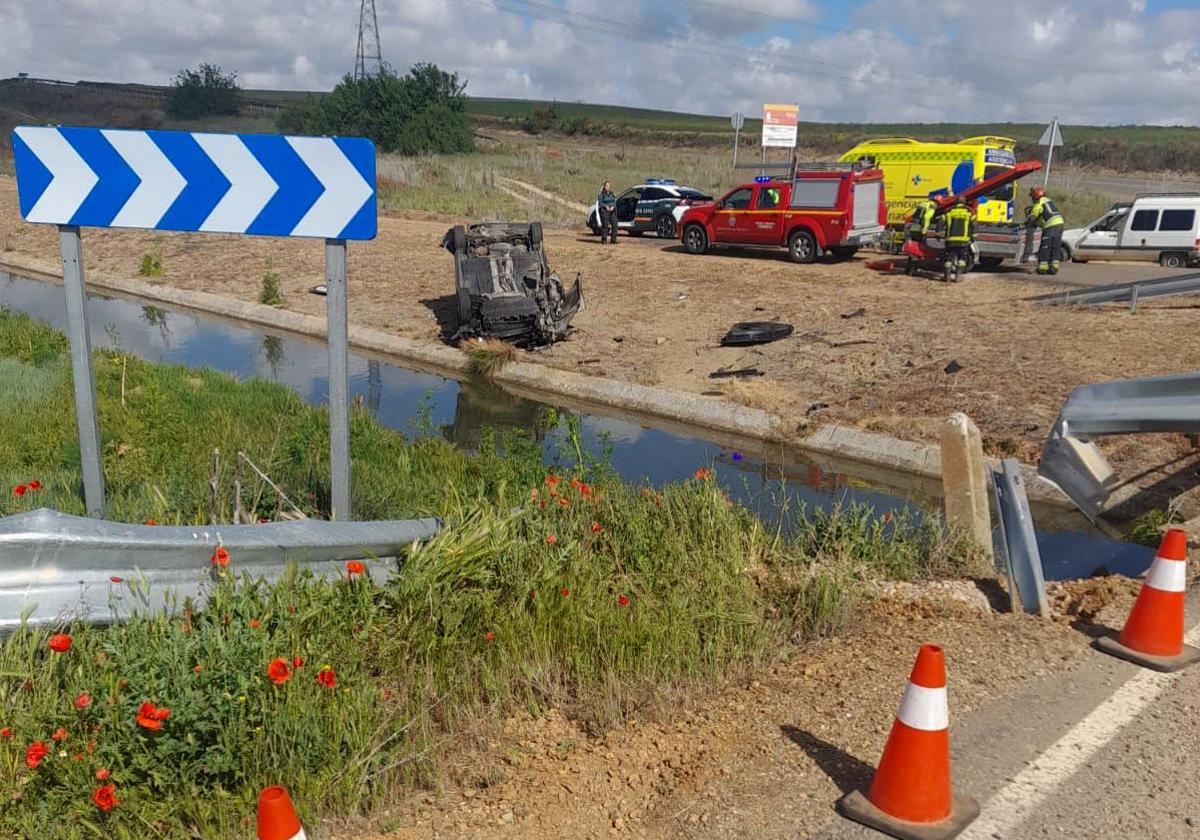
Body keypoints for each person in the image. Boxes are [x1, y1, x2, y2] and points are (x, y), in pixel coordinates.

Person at [1027, 186, 1065, 274]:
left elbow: (1032, 219)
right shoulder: (1048, 200)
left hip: (1051, 226)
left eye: (1032, 197)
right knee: (1055, 246)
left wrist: (1027, 224)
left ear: (1035, 196)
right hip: (1060, 224)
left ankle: (1043, 268)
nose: (1032, 199)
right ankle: (1054, 268)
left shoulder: (1038, 204)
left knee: (1045, 246)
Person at [942, 195, 976, 282]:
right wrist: (974, 236)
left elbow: (940, 222)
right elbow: (974, 225)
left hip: (950, 240)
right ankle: (958, 277)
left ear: (955, 202)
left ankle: (947, 277)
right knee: (962, 259)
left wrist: (938, 232)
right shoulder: (969, 211)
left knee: (949, 259)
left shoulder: (949, 211)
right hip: (963, 241)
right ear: (964, 202)